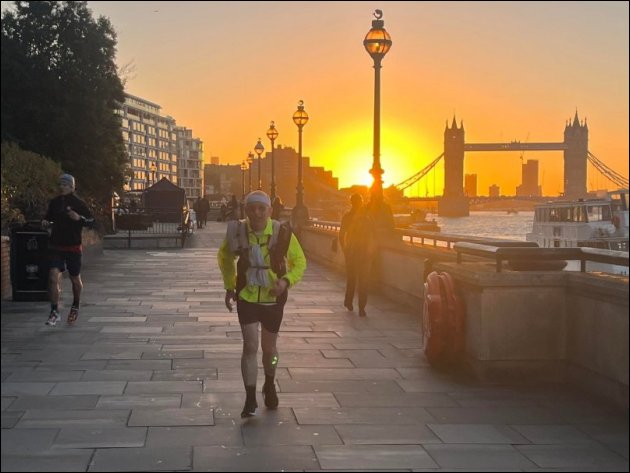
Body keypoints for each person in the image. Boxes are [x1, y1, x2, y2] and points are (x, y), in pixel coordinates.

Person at [218, 190, 306, 418]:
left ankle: (269, 381)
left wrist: (286, 281)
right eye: (251, 208)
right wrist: (229, 286)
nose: (256, 213)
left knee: (270, 350)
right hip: (247, 296)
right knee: (249, 346)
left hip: (272, 298)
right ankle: (249, 398)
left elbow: (300, 262)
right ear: (245, 211)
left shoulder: (282, 233)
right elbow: (225, 257)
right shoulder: (238, 231)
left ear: (269, 210)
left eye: (261, 208)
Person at [41, 174, 94, 326]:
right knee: (52, 276)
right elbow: (48, 217)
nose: (62, 187)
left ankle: (75, 305)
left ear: (72, 187)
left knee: (75, 279)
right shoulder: (55, 203)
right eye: (61, 185)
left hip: (73, 247)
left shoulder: (78, 203)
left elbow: (92, 220)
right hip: (56, 246)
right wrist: (45, 221)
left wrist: (80, 219)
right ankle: (54, 311)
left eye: (65, 185)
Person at [339, 193, 374, 317]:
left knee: (351, 279)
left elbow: (341, 235)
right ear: (360, 203)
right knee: (363, 281)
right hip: (363, 253)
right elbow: (371, 237)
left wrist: (345, 250)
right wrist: (370, 251)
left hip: (352, 252)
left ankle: (348, 302)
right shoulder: (366, 218)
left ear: (351, 203)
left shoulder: (347, 217)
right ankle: (362, 308)